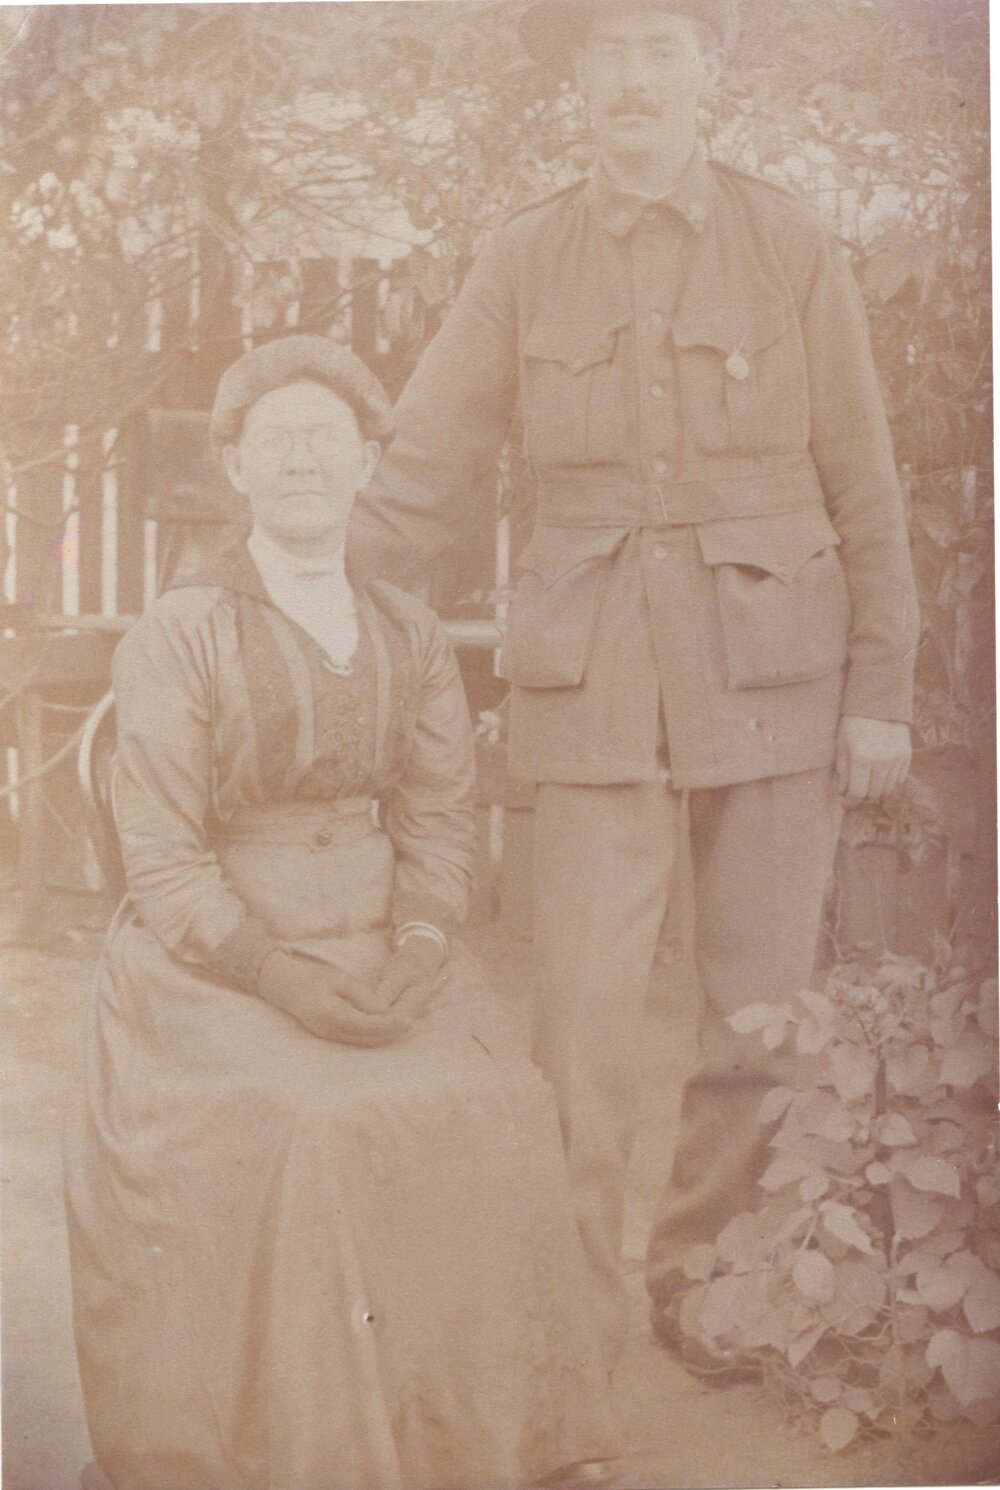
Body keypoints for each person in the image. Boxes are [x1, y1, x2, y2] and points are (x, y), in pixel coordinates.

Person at [349, 0, 919, 1377]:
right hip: (593, 677)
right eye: (606, 53)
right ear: (577, 84)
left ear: (702, 73)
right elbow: (425, 461)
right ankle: (575, 1300)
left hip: (779, 673)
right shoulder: (524, 256)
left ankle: (708, 1279)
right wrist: (314, 602)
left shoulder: (786, 240)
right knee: (583, 1020)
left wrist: (882, 681)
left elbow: (861, 469)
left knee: (761, 1006)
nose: (632, 78)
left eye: (659, 47)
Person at [63, 334, 618, 1490]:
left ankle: (476, 1447)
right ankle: (319, 1454)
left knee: (499, 1100)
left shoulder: (407, 628)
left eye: (328, 439)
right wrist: (278, 972)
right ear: (238, 470)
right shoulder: (183, 629)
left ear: (369, 463)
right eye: (278, 441)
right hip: (209, 963)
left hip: (373, 940)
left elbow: (436, 816)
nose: (304, 459)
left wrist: (422, 937)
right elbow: (161, 862)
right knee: (311, 1126)